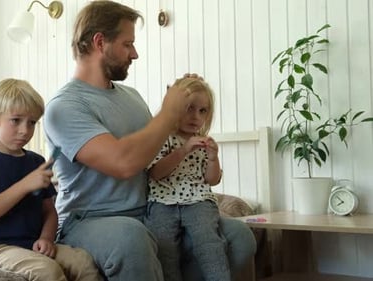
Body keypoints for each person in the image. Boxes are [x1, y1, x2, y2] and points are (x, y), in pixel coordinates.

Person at [43, 1, 256, 280]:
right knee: (132, 238)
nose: (135, 54)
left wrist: (183, 103)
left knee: (239, 236)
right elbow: (123, 162)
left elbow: (152, 145)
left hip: (152, 209)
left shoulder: (132, 97)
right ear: (99, 42)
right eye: (127, 44)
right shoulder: (65, 107)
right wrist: (168, 112)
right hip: (88, 220)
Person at [0, 78, 101, 281]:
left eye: (32, 122)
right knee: (46, 271)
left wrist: (46, 238)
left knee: (83, 263)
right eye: (16, 120)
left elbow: (48, 211)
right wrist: (25, 185)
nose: (25, 130)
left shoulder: (36, 161)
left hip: (33, 242)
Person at [144, 77, 229, 281]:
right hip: (163, 202)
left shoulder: (204, 143)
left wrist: (213, 158)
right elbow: (155, 173)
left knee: (209, 243)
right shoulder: (162, 137)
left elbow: (212, 180)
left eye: (202, 111)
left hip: (198, 201)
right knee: (165, 251)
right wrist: (183, 150)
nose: (195, 117)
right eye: (189, 108)